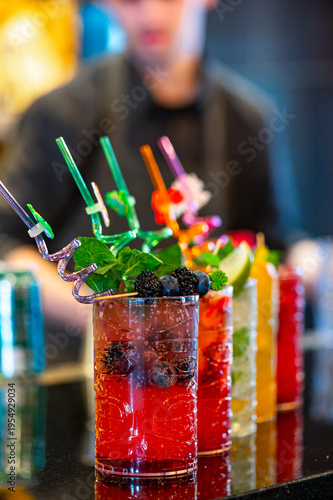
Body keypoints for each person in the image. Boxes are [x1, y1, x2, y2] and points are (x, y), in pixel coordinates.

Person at [0, 0, 311, 334]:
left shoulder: (249, 119)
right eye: (131, 1)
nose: (150, 15)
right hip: (88, 370)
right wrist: (109, 321)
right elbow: (7, 242)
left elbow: (274, 243)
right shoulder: (61, 112)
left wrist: (311, 261)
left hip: (208, 362)